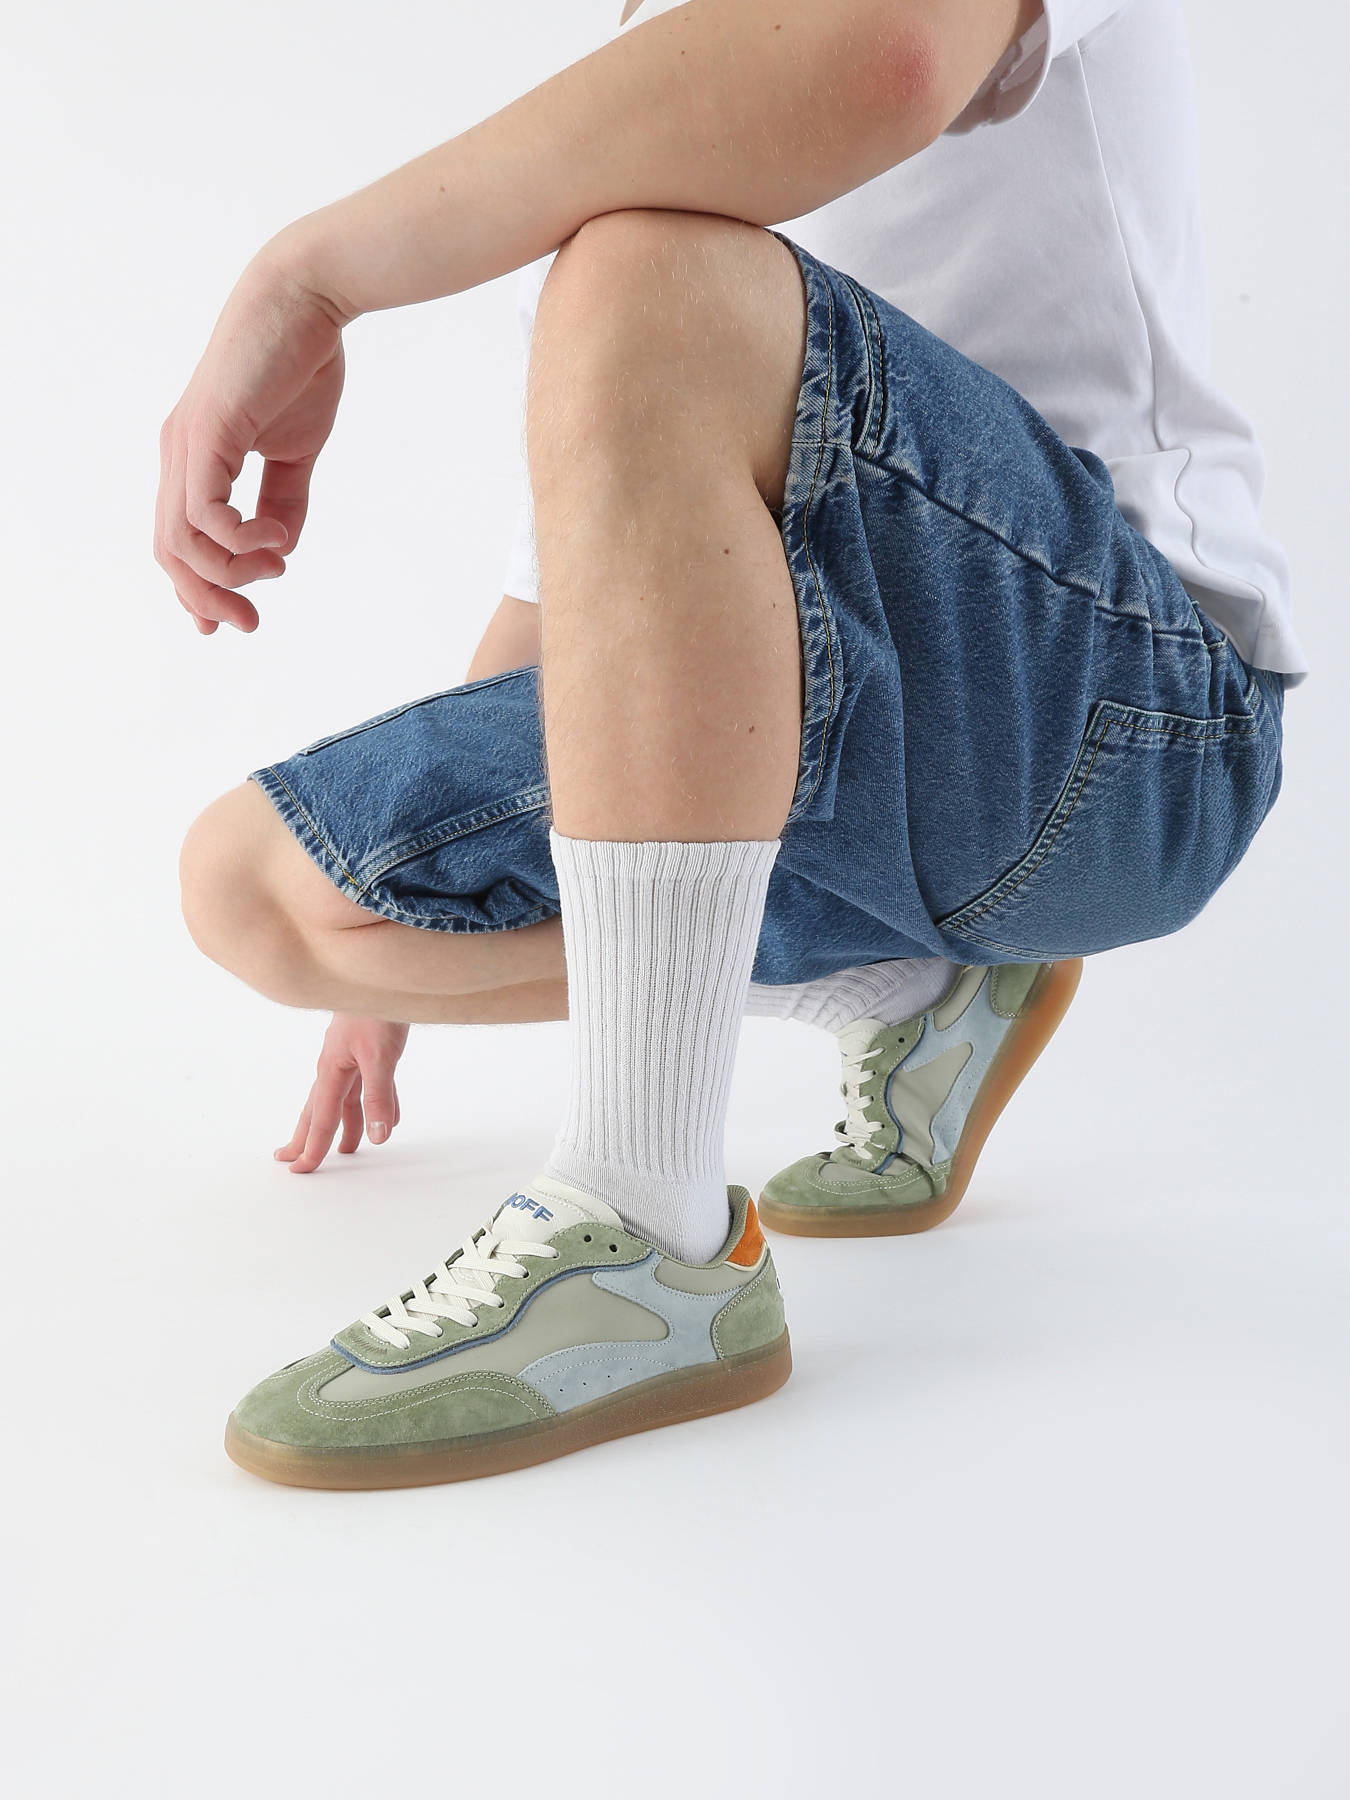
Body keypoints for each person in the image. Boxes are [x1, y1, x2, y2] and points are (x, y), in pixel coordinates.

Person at [160, 0, 1303, 1489]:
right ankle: (919, 992)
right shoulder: (655, 58)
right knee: (263, 891)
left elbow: (886, 49)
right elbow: (580, 607)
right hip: (806, 742)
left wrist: (309, 275)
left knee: (646, 268)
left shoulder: (658, 233)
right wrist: (400, 957)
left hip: (1128, 726)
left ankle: (646, 1229)